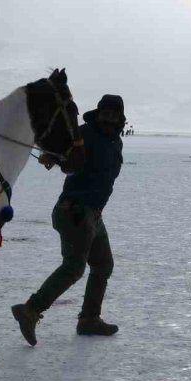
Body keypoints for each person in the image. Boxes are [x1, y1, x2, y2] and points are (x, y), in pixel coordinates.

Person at [11, 95, 126, 345]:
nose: (108, 119)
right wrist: (51, 157)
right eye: (104, 114)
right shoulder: (83, 134)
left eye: (113, 115)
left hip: (94, 214)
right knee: (74, 267)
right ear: (97, 113)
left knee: (103, 265)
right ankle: (30, 310)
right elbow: (60, 148)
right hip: (74, 211)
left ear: (120, 118)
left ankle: (89, 320)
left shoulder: (115, 141)